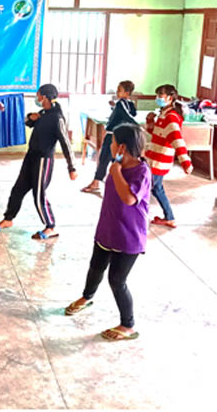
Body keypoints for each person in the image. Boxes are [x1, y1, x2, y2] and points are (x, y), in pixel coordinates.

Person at [65, 124, 151, 341]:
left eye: (112, 142)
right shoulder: (117, 165)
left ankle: (128, 325)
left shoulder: (141, 171)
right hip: (108, 230)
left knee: (117, 280)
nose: (110, 146)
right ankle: (87, 297)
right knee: (95, 267)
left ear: (122, 147)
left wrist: (116, 172)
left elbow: (129, 198)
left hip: (129, 237)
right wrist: (115, 169)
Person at [0, 84, 77, 240]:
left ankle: (50, 227)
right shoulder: (43, 113)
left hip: (43, 160)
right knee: (18, 189)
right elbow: (26, 122)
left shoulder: (57, 118)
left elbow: (66, 143)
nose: (37, 98)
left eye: (39, 95)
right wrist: (31, 117)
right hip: (31, 157)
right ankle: (8, 219)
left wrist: (72, 167)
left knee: (38, 195)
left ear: (45, 97)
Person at [144, 84, 192, 229]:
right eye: (157, 95)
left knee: (152, 188)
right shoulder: (163, 114)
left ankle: (168, 217)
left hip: (160, 160)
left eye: (161, 95)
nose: (157, 98)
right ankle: (169, 217)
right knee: (156, 188)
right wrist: (150, 121)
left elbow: (177, 140)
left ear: (170, 98)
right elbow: (157, 134)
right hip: (154, 158)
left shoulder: (171, 118)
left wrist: (185, 162)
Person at [82, 80, 137, 195]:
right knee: (115, 159)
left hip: (113, 136)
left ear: (126, 93)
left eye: (119, 90)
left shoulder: (121, 103)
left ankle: (97, 182)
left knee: (104, 159)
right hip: (119, 135)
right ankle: (113, 183)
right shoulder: (129, 104)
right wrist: (114, 108)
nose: (117, 92)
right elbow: (130, 113)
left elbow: (128, 116)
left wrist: (138, 127)